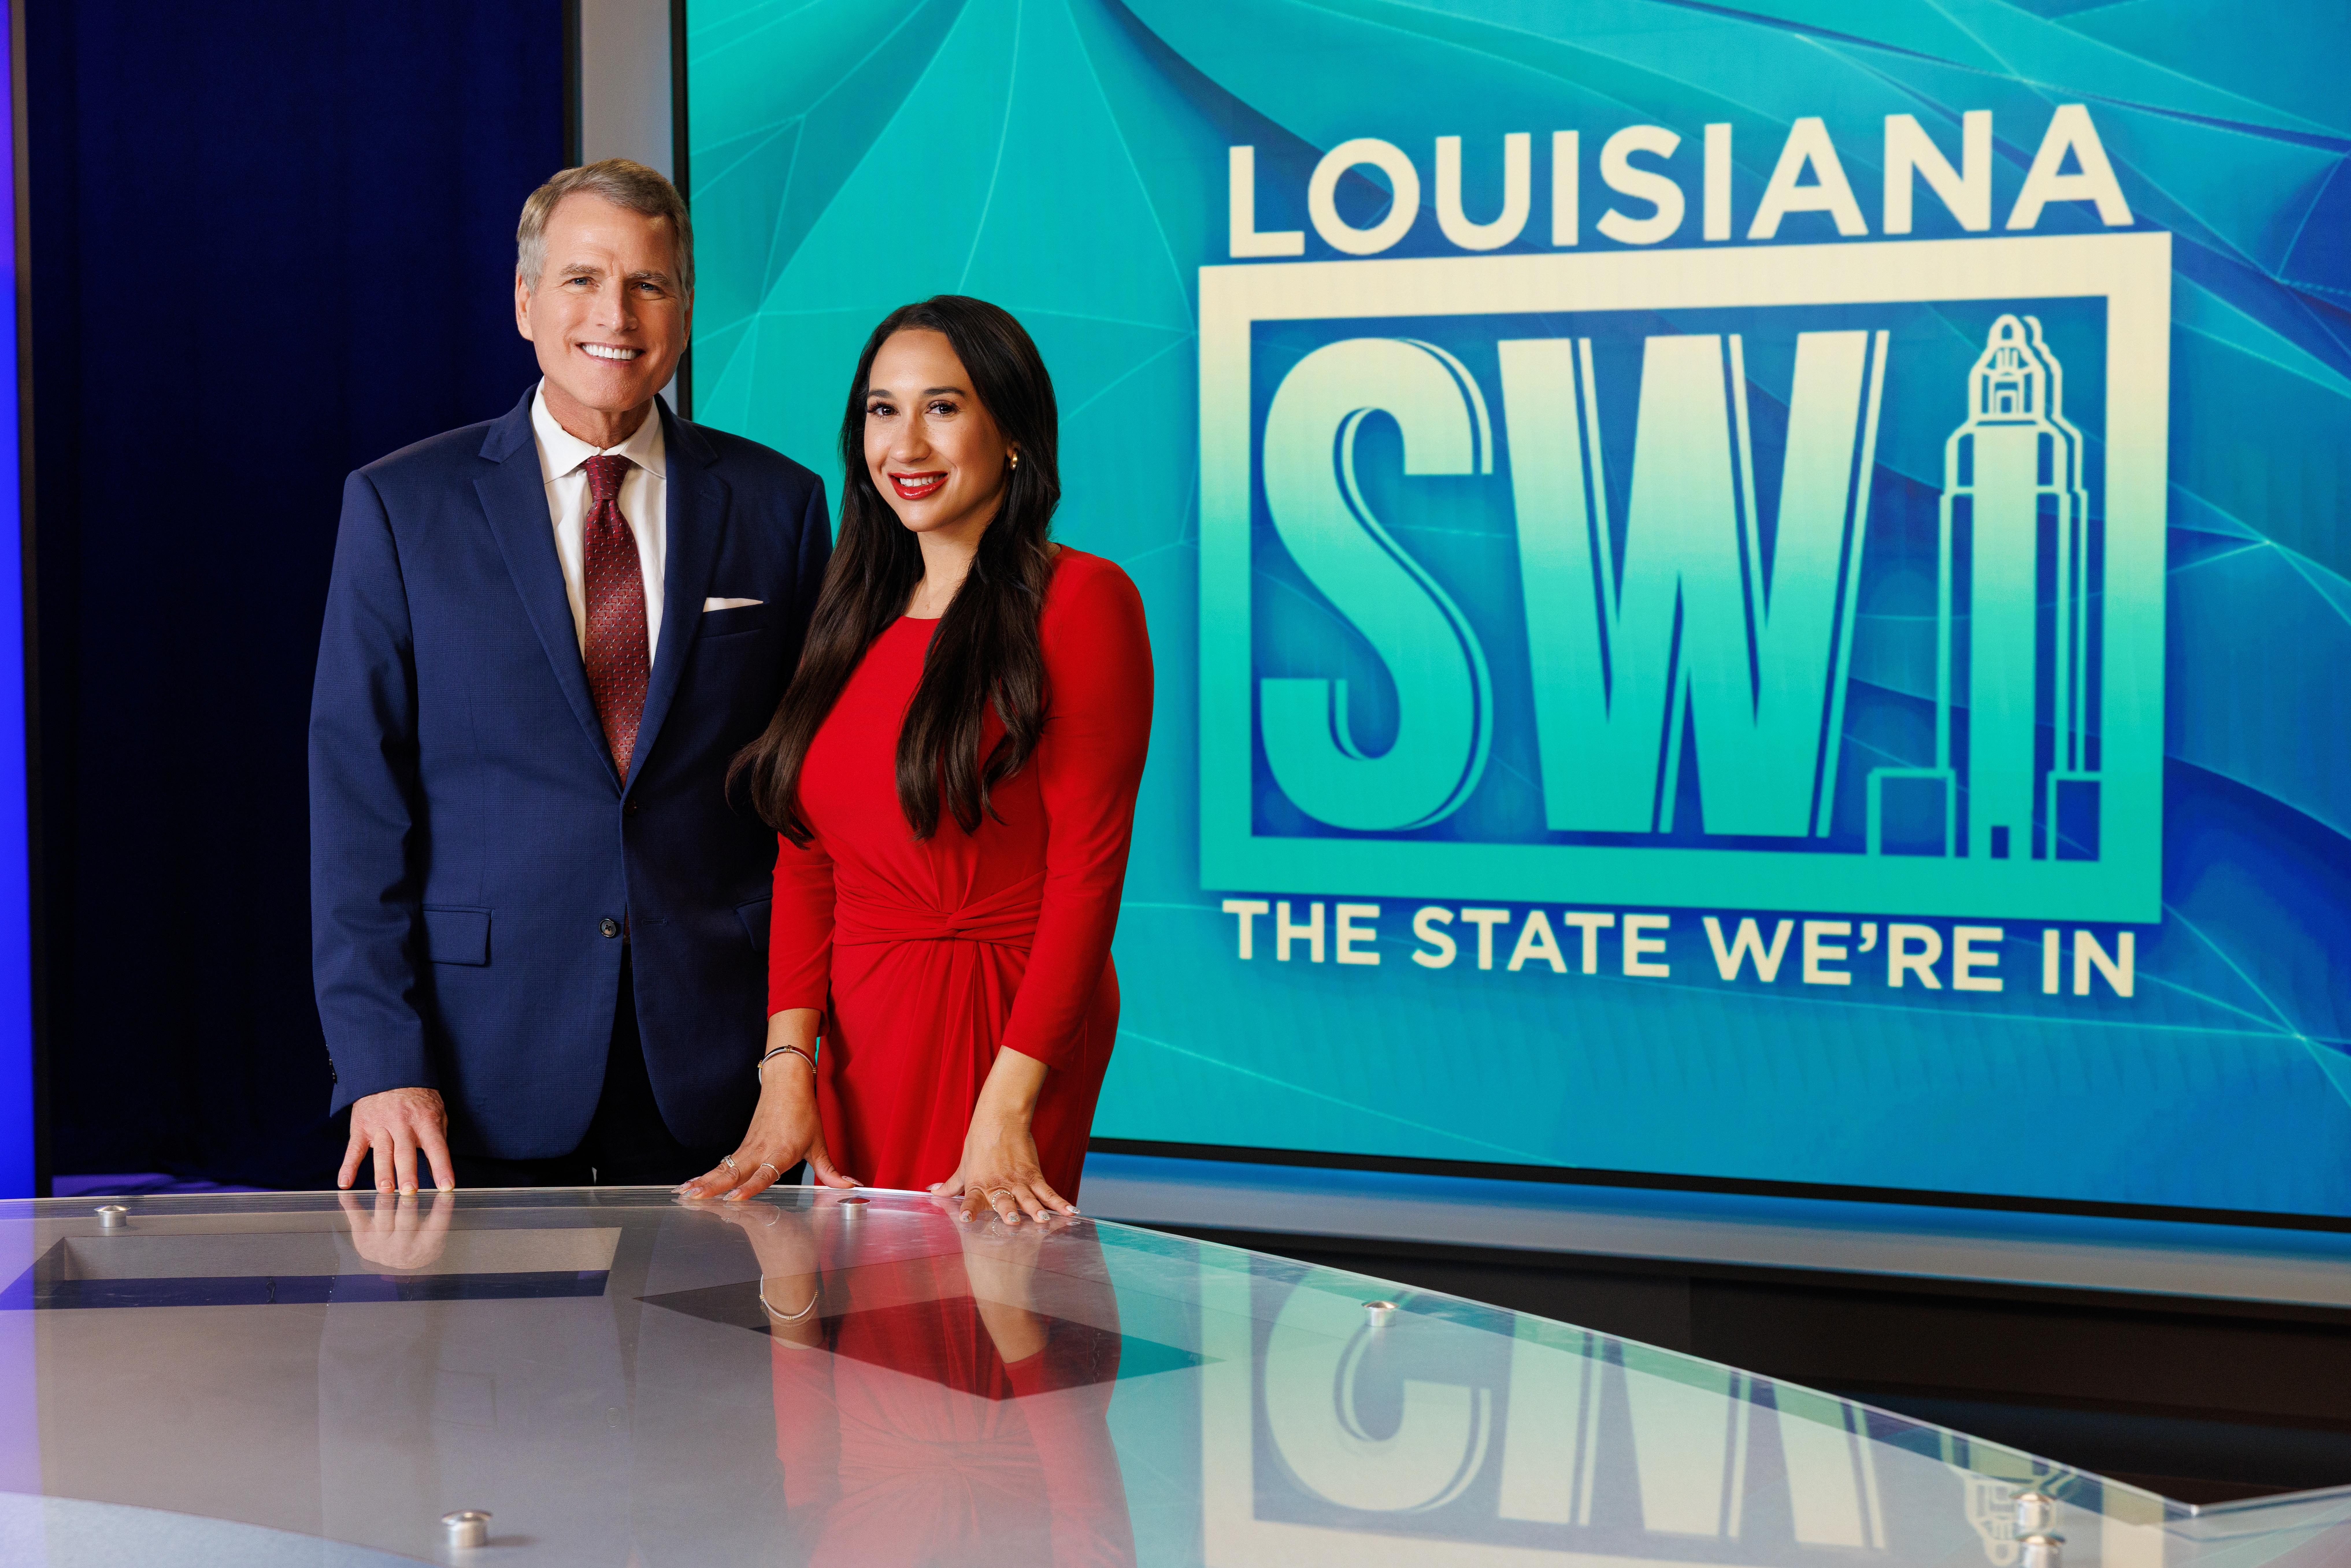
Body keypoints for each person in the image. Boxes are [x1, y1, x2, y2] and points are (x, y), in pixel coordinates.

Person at [311, 160, 831, 1193]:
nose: (616, 315)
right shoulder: (401, 507)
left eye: (649, 284)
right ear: (525, 301)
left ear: (687, 308)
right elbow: (356, 811)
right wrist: (380, 1061)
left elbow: (814, 801)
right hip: (472, 1073)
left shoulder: (781, 506)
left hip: (721, 1070)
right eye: (583, 279)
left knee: (730, 1313)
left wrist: (798, 1056)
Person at [679, 296, 1152, 1221]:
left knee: (975, 1301)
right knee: (857, 1304)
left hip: (1003, 1026)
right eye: (882, 410)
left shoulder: (1084, 599)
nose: (906, 444)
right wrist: (789, 1069)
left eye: (943, 407)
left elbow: (1087, 875)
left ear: (1012, 431)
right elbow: (807, 861)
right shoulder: (849, 615)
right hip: (859, 1035)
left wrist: (1010, 1104)